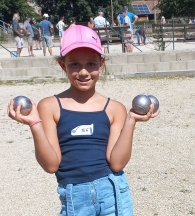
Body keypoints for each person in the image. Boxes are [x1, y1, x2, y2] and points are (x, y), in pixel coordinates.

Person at [7, 25, 159, 215]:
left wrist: (131, 120)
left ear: (101, 63)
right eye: (75, 64)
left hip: (113, 194)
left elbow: (117, 163)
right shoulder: (50, 106)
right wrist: (34, 124)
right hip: (74, 198)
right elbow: (51, 165)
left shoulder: (115, 109)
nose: (84, 72)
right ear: (63, 65)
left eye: (91, 64)